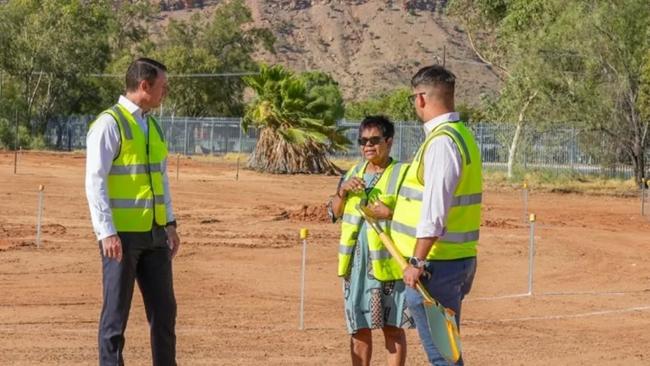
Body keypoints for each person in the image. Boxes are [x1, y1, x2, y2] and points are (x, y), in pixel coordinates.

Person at [85, 57, 180, 366]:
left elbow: (160, 178)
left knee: (164, 313)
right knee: (115, 318)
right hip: (121, 239)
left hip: (154, 235)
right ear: (144, 85)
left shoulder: (152, 125)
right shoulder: (109, 123)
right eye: (162, 87)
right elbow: (95, 181)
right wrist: (106, 232)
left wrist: (170, 223)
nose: (165, 92)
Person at [391, 65, 482, 366]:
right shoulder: (462, 135)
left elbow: (435, 211)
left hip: (436, 266)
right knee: (447, 348)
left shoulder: (442, 142)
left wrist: (416, 261)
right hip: (456, 259)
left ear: (420, 98)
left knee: (442, 354)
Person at [328, 116, 413, 366]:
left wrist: (390, 214)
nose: (368, 146)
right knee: (359, 329)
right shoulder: (353, 173)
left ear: (389, 141)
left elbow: (418, 216)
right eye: (363, 141)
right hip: (355, 267)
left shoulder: (403, 174)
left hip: (389, 267)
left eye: (374, 140)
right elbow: (333, 211)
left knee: (393, 328)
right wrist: (342, 191)